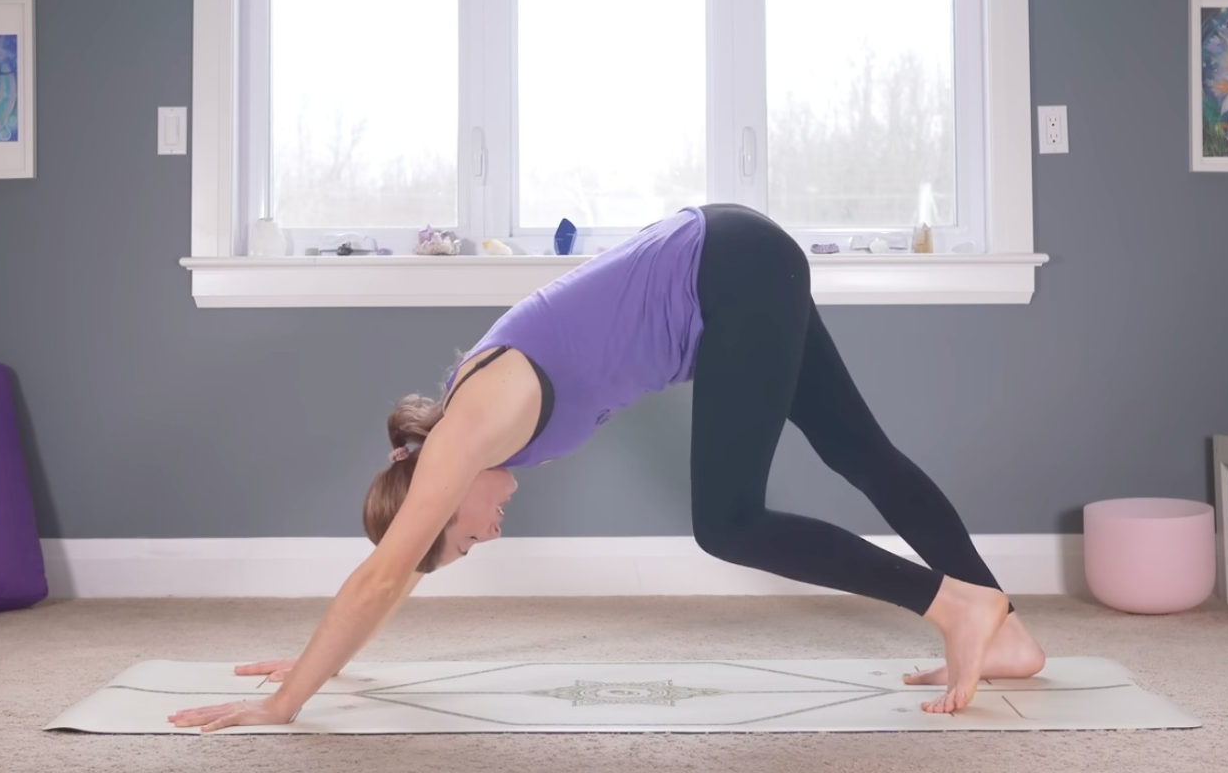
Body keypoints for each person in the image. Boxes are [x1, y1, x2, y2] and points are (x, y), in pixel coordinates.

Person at [170, 204, 1044, 732]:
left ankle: (955, 604)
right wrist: (315, 664)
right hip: (736, 260)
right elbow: (401, 576)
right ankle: (1004, 631)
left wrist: (287, 703)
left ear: (441, 497)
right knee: (859, 452)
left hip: (729, 271)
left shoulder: (469, 427)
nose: (484, 539)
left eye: (463, 541)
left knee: (728, 523)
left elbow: (384, 571)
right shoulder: (468, 433)